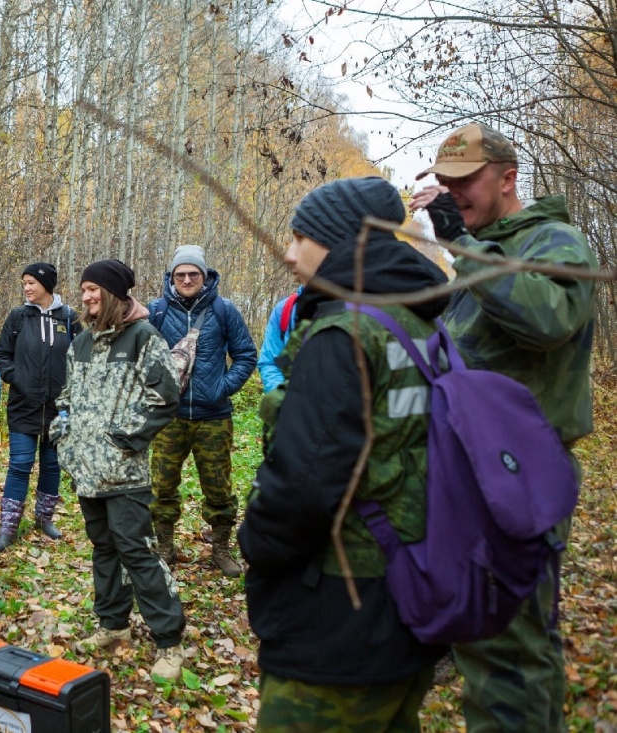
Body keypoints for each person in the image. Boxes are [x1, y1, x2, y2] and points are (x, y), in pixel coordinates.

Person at [239, 176, 451, 731]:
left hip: (338, 614)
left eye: (301, 237)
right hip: (411, 589)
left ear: (340, 240)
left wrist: (256, 550)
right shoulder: (420, 325)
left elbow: (303, 484)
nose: (288, 253)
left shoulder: (345, 333)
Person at [409, 122, 597, 733]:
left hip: (518, 474)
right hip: (477, 470)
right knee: (512, 647)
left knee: (505, 650)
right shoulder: (484, 247)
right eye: (445, 183)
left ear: (508, 177)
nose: (452, 193)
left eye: (465, 181)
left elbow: (549, 317)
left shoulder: (552, 241)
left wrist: (462, 244)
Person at [50, 258, 187, 681]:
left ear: (114, 294)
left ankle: (170, 640)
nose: (87, 296)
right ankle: (114, 625)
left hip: (124, 472)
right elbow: (68, 395)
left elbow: (165, 397)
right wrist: (63, 430)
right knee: (104, 548)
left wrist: (123, 438)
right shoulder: (82, 343)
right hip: (88, 470)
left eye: (95, 289)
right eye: (84, 288)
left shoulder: (143, 337)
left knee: (137, 551)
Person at [145, 245, 257, 576]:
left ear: (205, 276)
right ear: (172, 277)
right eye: (181, 274)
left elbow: (246, 355)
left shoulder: (225, 311)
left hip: (214, 418)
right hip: (169, 418)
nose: (187, 279)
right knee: (161, 486)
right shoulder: (157, 311)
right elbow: (140, 355)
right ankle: (165, 546)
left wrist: (220, 388)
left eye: (194, 273)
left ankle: (221, 548)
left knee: (218, 487)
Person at [0, 262, 81, 550]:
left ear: (47, 284)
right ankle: (8, 527)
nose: (27, 287)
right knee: (19, 464)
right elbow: (1, 353)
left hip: (59, 408)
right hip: (23, 405)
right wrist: (15, 378)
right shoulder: (18, 317)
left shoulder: (69, 318)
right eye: (24, 282)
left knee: (52, 465)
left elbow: (81, 359)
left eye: (32, 282)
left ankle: (45, 519)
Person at [256, 286, 301, 393]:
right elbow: (271, 363)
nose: (293, 268)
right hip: (292, 405)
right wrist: (282, 401)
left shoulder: (347, 305)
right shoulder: (284, 309)